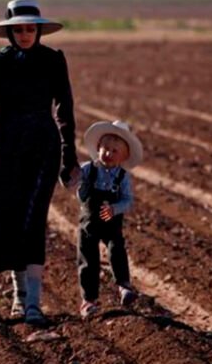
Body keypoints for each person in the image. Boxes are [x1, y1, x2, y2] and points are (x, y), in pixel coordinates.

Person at [0, 0, 79, 326]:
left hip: (42, 148)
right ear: (10, 32)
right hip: (4, 149)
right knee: (8, 219)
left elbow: (64, 110)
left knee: (33, 220)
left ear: (38, 30)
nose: (25, 34)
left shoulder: (53, 61)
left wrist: (69, 154)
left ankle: (34, 304)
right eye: (19, 30)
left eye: (30, 29)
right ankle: (18, 296)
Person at [77, 120, 143, 318]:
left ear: (124, 156)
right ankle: (88, 301)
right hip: (89, 222)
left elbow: (128, 200)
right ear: (98, 147)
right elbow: (77, 189)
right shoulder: (88, 169)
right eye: (105, 148)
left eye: (115, 151)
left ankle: (124, 286)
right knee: (88, 258)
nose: (109, 153)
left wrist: (115, 208)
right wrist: (79, 184)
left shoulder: (122, 177)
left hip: (111, 222)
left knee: (116, 249)